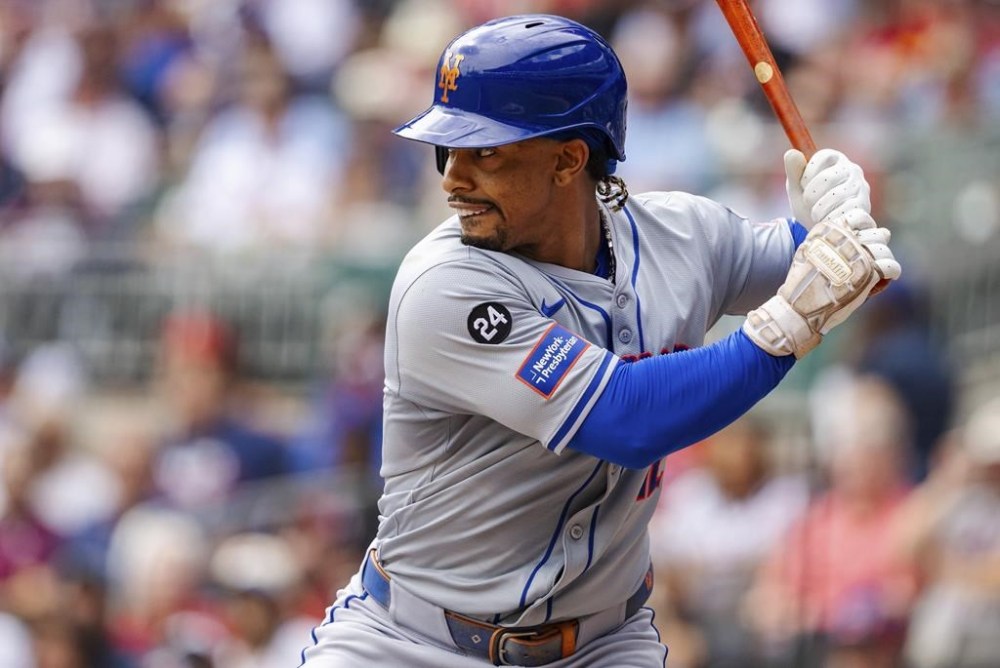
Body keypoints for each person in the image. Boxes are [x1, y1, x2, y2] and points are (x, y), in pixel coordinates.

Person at [299, 14, 900, 668]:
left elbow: (839, 273)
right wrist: (790, 320)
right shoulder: (443, 284)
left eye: (487, 152)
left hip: (601, 644)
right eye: (450, 150)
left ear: (568, 159)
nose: (453, 179)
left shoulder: (682, 236)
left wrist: (837, 223)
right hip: (414, 642)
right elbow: (627, 419)